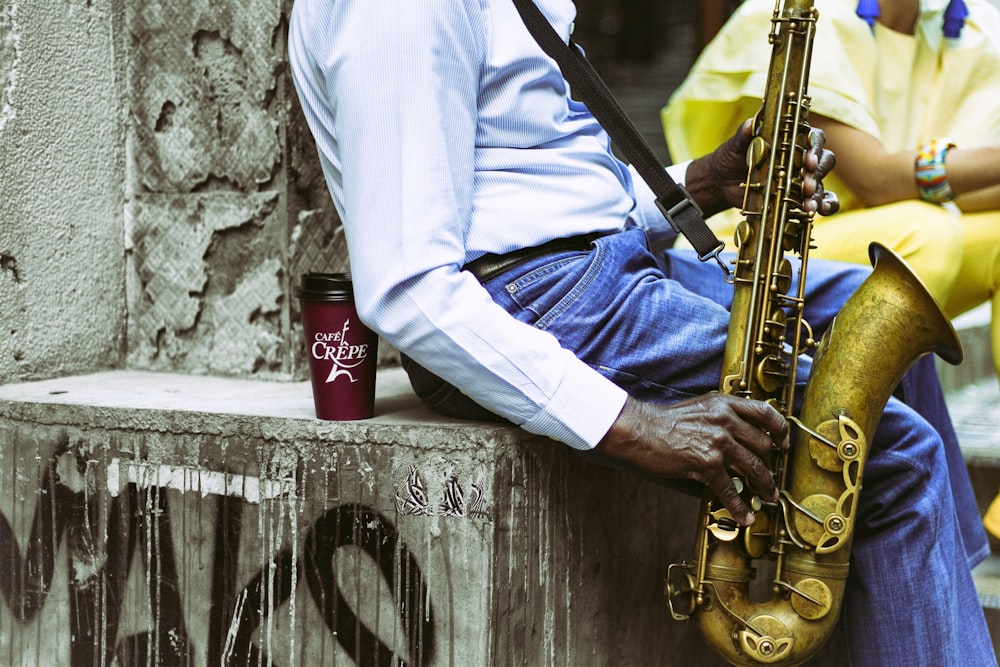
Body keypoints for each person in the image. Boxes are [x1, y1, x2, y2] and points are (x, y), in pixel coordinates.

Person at [287, 1, 995, 664]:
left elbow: (549, 192)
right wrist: (633, 424)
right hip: (537, 296)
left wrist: (704, 183)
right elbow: (410, 284)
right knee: (892, 456)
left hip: (593, 271)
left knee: (876, 335)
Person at [661, 0, 1000, 541]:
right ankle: (865, 475)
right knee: (924, 239)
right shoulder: (810, 12)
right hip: (751, 249)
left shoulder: (961, 28)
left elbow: (970, 188)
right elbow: (877, 180)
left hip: (879, 236)